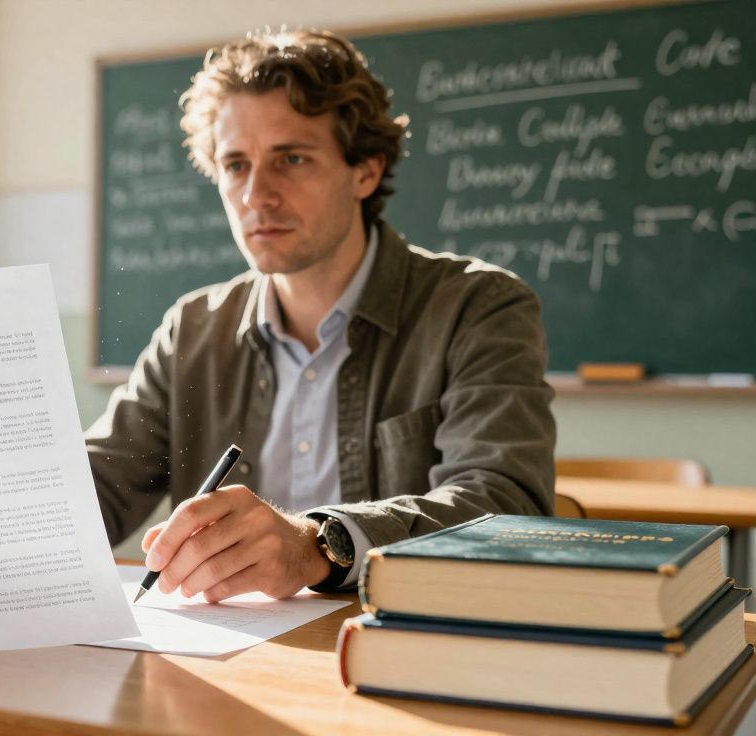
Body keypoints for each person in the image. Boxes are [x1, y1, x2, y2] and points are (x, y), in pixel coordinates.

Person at [85, 29, 556, 603]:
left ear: (366, 171)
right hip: (229, 645)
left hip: (398, 638)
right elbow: (98, 485)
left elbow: (504, 504)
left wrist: (318, 545)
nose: (256, 195)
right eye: (236, 165)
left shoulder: (477, 308)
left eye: (291, 159)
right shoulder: (194, 327)